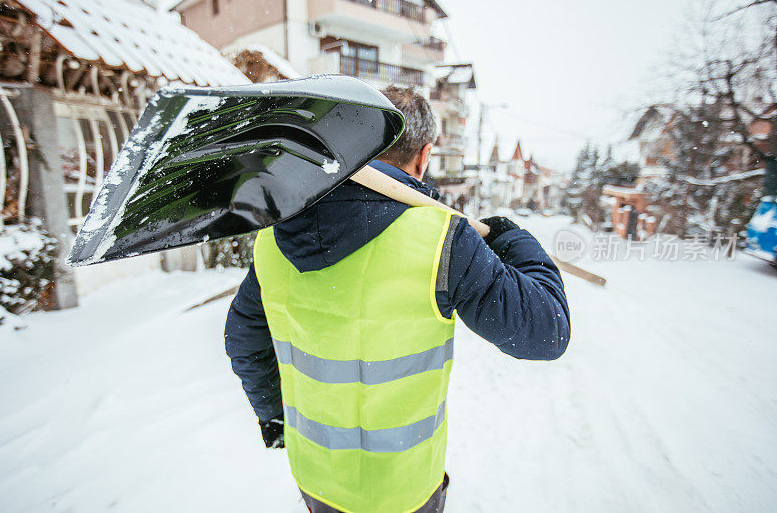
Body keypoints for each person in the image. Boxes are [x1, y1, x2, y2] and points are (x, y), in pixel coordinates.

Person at [224, 86, 570, 513]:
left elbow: (244, 338)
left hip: (316, 477)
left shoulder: (274, 241)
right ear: (424, 157)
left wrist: (276, 418)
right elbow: (547, 330)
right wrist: (510, 238)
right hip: (403, 491)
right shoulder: (444, 240)